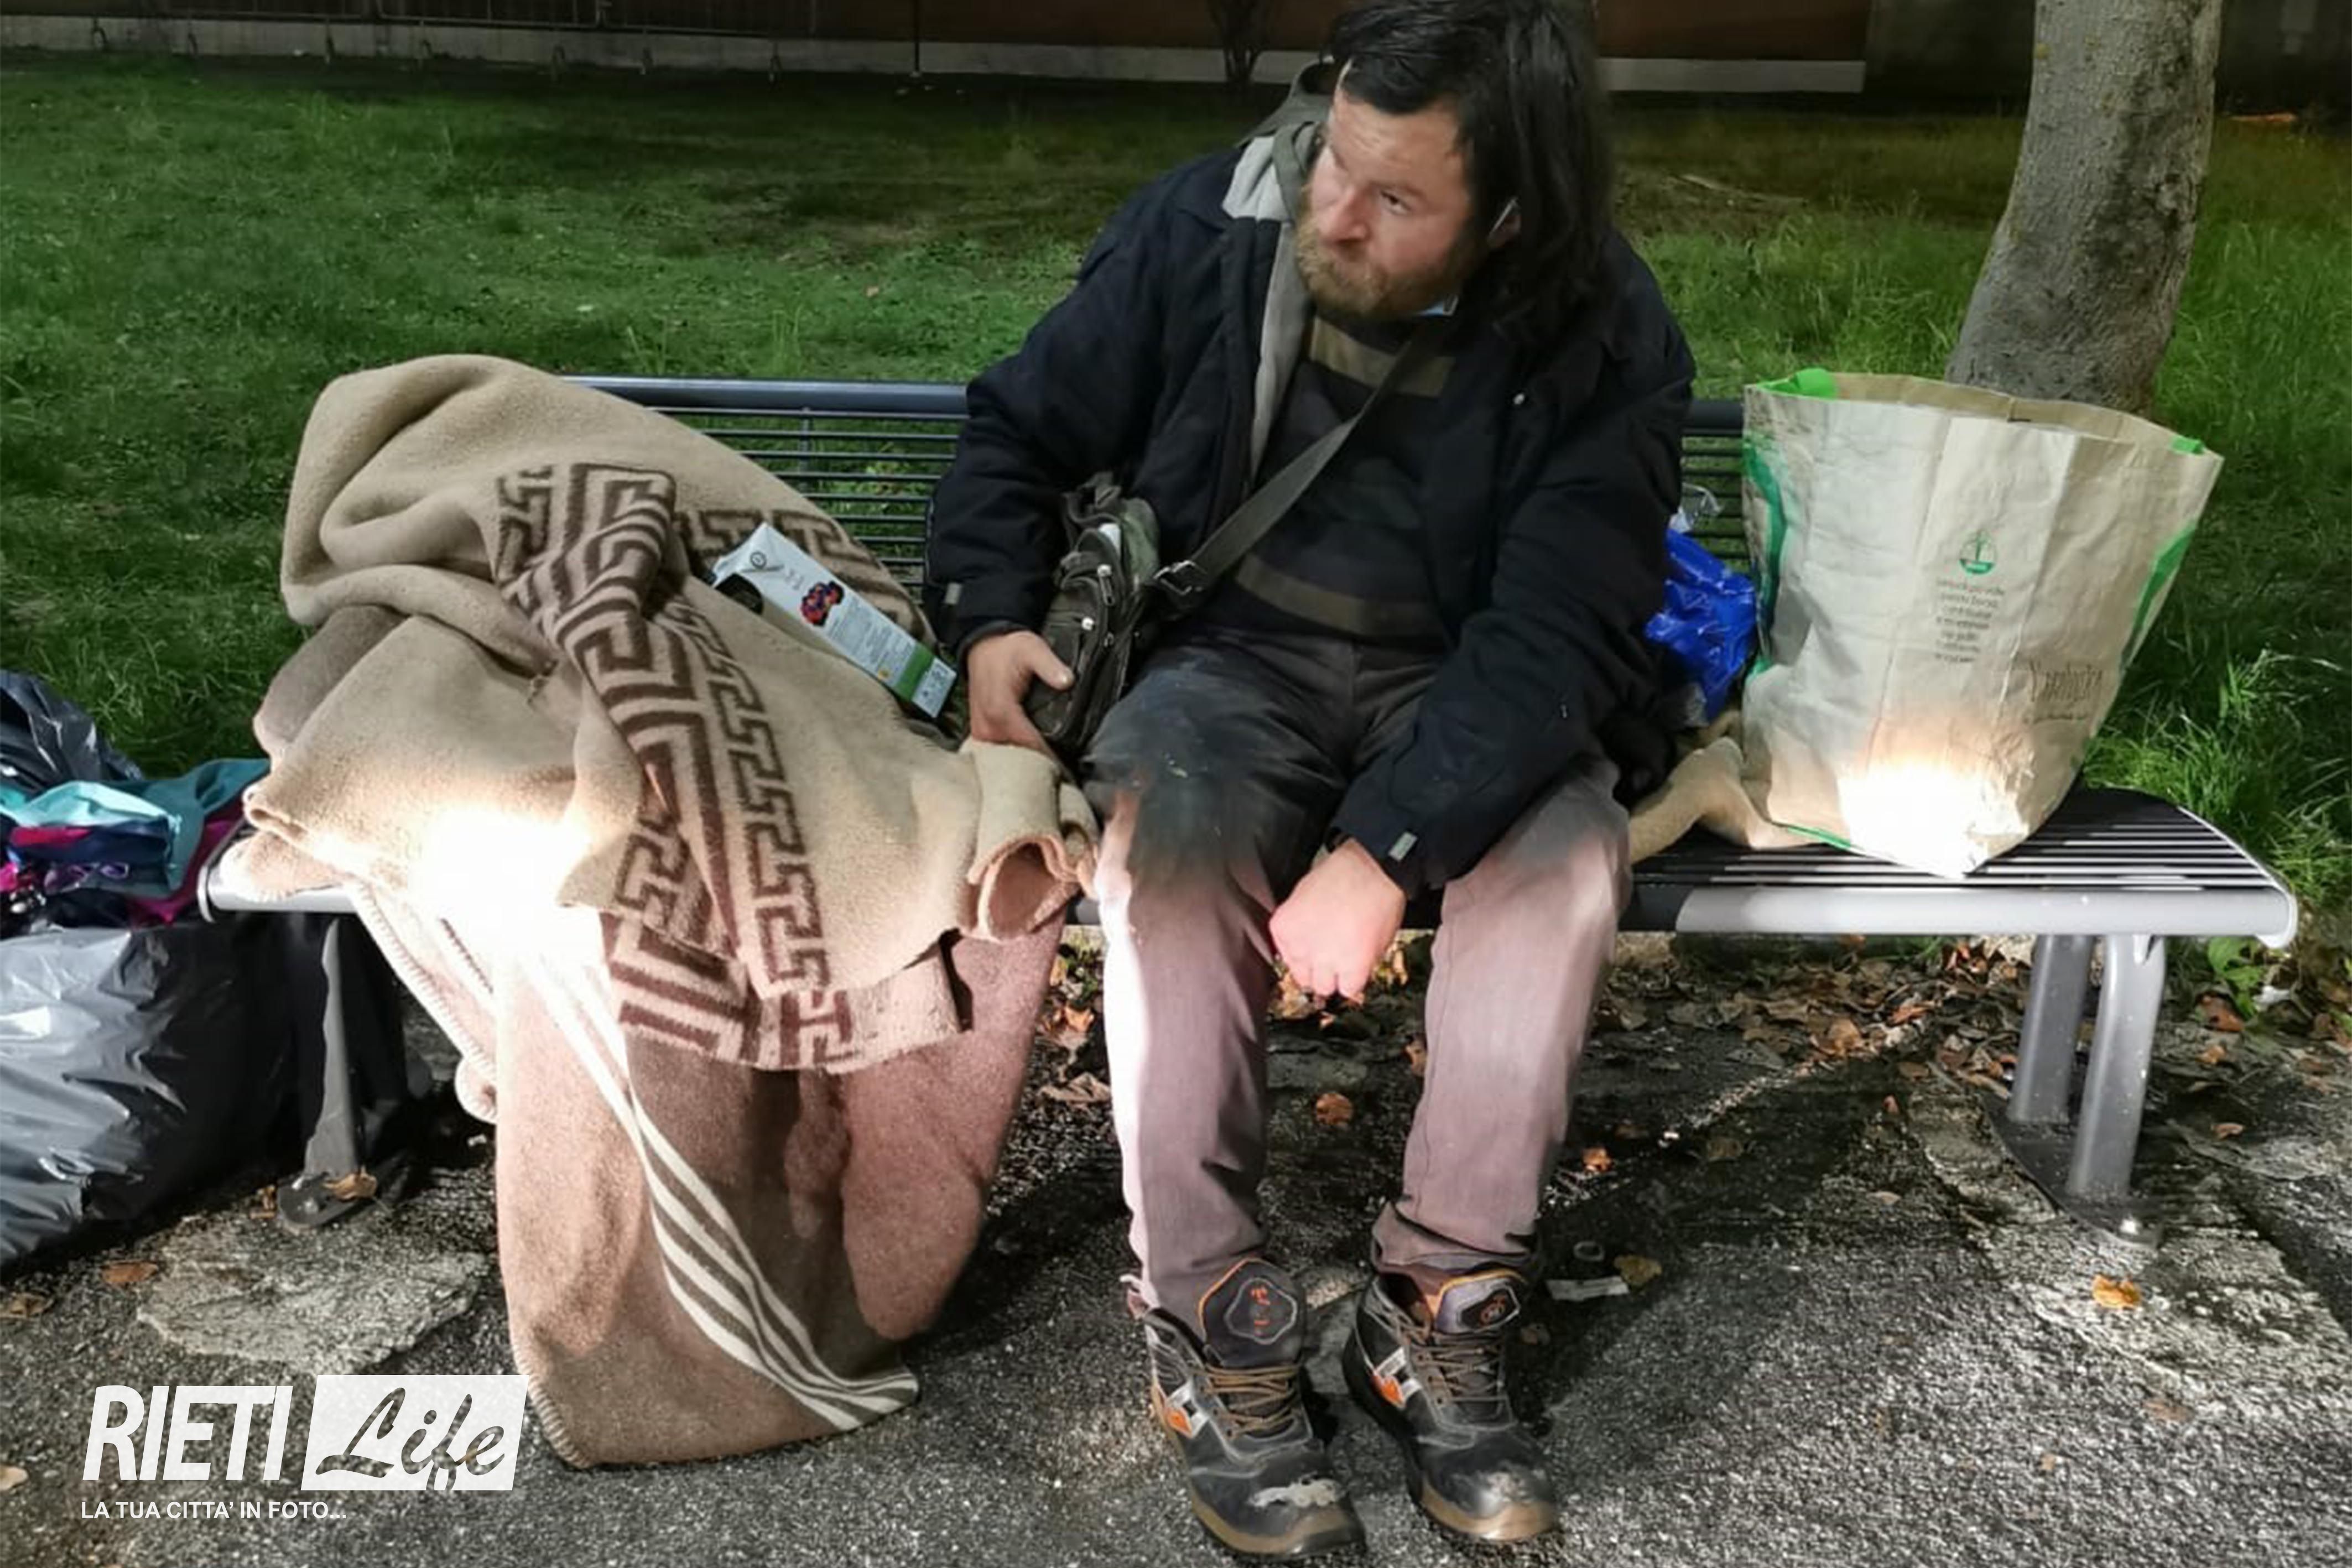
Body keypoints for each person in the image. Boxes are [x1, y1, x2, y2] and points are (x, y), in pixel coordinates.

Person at [924, 0, 1693, 1554]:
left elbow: (1556, 633)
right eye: (1335, 157)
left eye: (1395, 197)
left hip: (1465, 684)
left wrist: (1386, 850)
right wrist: (989, 614)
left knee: (1563, 870)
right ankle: (1209, 1312)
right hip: (1225, 668)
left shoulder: (1604, 328)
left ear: (1511, 216)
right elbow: (1016, 428)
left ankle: (1436, 1307)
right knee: (1167, 861)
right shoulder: (1213, 225)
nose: (1332, 212)